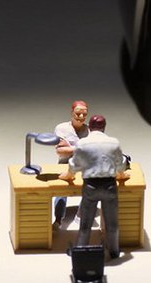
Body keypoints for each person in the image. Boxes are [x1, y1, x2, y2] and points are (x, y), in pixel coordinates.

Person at [59, 115, 129, 259]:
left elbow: (74, 165)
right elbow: (120, 164)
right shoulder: (114, 142)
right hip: (110, 185)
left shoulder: (83, 143)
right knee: (112, 223)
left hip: (91, 186)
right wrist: (122, 175)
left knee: (86, 223)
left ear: (89, 127)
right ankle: (115, 252)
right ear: (104, 127)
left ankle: (80, 250)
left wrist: (68, 176)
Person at [53, 100, 90, 228]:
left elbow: (93, 151)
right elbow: (60, 151)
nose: (81, 116)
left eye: (84, 114)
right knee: (61, 190)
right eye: (78, 113)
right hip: (65, 164)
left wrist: (70, 147)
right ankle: (58, 219)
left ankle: (81, 217)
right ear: (72, 113)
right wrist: (82, 147)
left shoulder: (90, 131)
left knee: (90, 189)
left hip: (84, 166)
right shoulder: (62, 128)